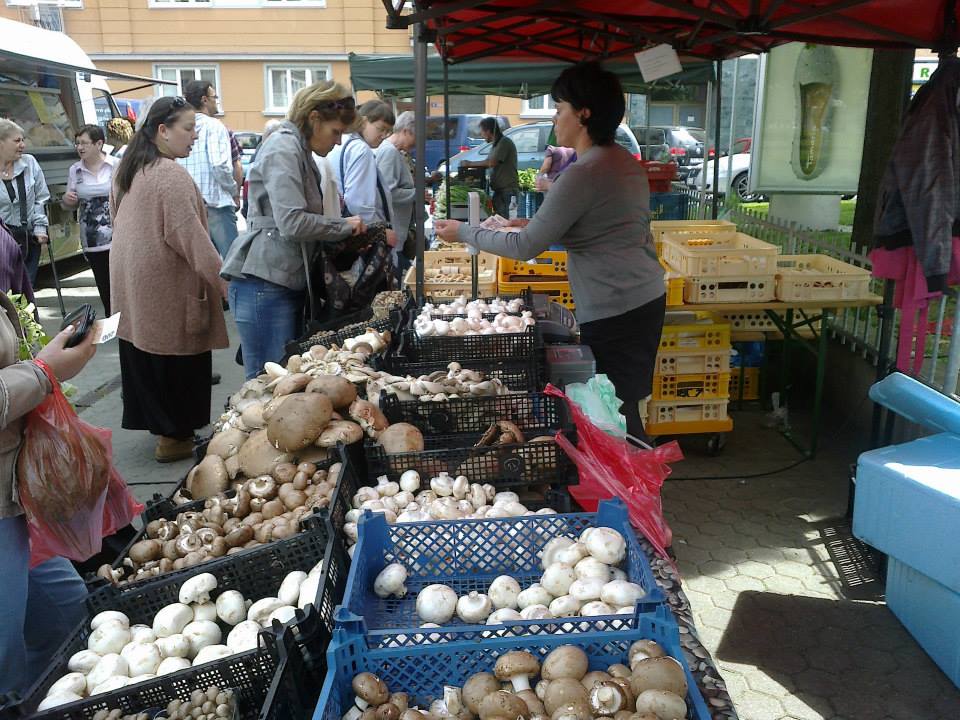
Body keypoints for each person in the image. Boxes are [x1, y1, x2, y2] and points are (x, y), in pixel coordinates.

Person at [435, 62, 665, 443]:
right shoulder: (622, 162)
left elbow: (528, 248)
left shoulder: (584, 173)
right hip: (641, 297)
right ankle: (634, 480)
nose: (555, 118)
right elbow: (599, 227)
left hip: (616, 306)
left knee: (616, 413)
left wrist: (464, 231)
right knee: (624, 403)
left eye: (559, 109)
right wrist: (521, 224)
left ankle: (636, 489)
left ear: (584, 113)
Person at [110, 95, 228, 463]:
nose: (194, 136)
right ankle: (173, 438)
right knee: (177, 360)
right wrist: (226, 283)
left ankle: (165, 431)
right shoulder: (169, 175)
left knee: (147, 356)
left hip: (134, 287)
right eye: (188, 129)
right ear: (162, 131)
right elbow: (192, 239)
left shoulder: (129, 168)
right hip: (166, 290)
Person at [222, 81, 365, 380]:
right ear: (314, 118)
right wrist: (342, 226)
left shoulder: (297, 149)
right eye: (336, 132)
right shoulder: (284, 147)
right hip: (265, 282)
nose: (338, 142)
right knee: (268, 384)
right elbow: (292, 222)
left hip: (279, 280)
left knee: (281, 380)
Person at [0, 294, 97, 696]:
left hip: (11, 495)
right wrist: (43, 372)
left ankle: (40, 701)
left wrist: (45, 365)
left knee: (66, 612)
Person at [328, 99, 399, 256]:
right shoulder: (361, 149)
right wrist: (378, 232)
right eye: (380, 129)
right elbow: (358, 202)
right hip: (363, 235)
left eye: (388, 131)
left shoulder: (344, 143)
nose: (383, 135)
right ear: (364, 121)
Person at [62, 125, 118, 316]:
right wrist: (67, 200)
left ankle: (128, 322)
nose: (80, 147)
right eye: (77, 143)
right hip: (92, 239)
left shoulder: (116, 165)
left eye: (84, 143)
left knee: (121, 282)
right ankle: (113, 322)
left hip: (118, 235)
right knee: (103, 283)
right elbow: (69, 204)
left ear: (99, 144)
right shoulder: (75, 170)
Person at [179, 80, 238, 258]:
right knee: (231, 265)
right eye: (215, 97)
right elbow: (219, 165)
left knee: (199, 267)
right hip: (216, 204)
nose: (216, 101)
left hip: (189, 207)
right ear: (205, 100)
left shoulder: (179, 128)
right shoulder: (214, 126)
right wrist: (233, 189)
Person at [0, 119, 49, 285]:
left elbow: (40, 198)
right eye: (17, 140)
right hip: (2, 243)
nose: (23, 145)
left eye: (23, 140)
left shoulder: (29, 163)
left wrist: (40, 227)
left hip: (28, 241)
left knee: (26, 295)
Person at [376, 111, 417, 280]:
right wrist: (417, 194)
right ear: (406, 131)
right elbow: (389, 192)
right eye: (417, 137)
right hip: (394, 227)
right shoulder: (389, 152)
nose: (417, 143)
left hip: (398, 227)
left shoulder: (395, 152)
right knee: (397, 273)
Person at [460, 117, 518, 218]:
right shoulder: (495, 145)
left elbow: (491, 162)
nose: (481, 135)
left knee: (505, 221)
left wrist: (469, 164)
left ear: (488, 131)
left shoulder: (504, 142)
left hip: (507, 191)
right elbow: (486, 163)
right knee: (499, 220)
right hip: (499, 191)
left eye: (482, 132)